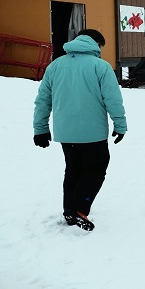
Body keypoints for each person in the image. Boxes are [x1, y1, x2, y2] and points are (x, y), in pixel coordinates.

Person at [33, 29, 127, 232]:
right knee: (96, 169)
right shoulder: (100, 67)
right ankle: (80, 208)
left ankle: (70, 211)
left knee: (73, 169)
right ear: (96, 44)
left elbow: (43, 101)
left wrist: (40, 129)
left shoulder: (55, 65)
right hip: (92, 132)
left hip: (65, 133)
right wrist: (120, 125)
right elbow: (113, 99)